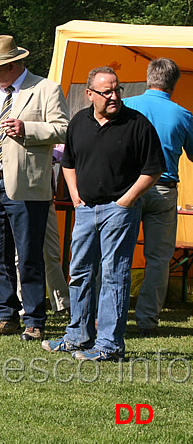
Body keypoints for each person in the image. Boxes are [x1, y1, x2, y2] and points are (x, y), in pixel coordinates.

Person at [42, 66, 165, 361]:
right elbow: (68, 162)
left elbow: (154, 168)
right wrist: (74, 195)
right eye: (106, 91)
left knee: (114, 276)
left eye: (116, 90)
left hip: (119, 212)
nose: (114, 96)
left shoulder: (137, 124)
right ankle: (78, 337)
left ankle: (109, 345)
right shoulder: (78, 123)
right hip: (86, 209)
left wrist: (126, 201)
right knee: (80, 272)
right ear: (89, 95)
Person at [0, 35, 69, 341]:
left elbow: (64, 129)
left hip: (27, 184)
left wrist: (28, 129)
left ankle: (35, 319)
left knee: (28, 254)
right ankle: (5, 315)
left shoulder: (45, 89)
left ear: (13, 64)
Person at [122, 58, 193, 337]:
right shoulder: (184, 115)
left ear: (148, 77)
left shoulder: (127, 107)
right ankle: (147, 321)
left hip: (128, 188)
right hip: (164, 189)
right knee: (159, 259)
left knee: (116, 254)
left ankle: (110, 315)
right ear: (174, 84)